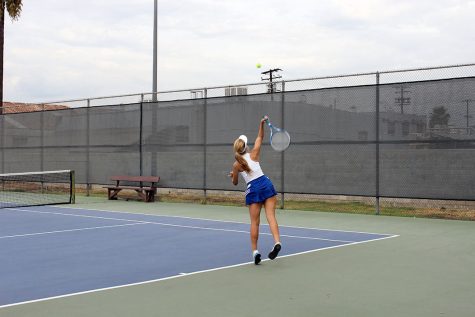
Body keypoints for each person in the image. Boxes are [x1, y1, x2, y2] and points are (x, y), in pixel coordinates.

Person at [229, 116, 281, 265]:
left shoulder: (236, 164)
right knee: (271, 217)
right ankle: (277, 242)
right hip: (266, 184)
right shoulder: (254, 153)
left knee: (254, 223)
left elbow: (235, 183)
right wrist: (261, 123)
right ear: (246, 146)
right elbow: (260, 136)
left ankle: (255, 252)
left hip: (253, 189)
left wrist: (234, 175)